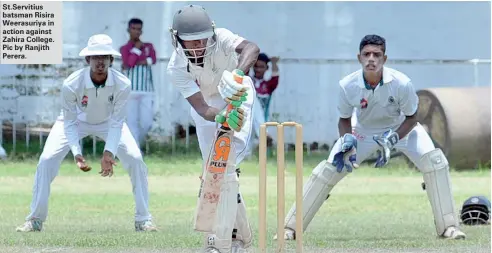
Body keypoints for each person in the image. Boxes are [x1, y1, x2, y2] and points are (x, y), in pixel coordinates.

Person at [276, 34, 466, 240]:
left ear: (384, 58)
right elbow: (344, 119)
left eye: (377, 54)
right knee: (328, 170)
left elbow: (412, 118)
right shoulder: (347, 85)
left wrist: (392, 138)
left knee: (436, 162)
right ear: (359, 58)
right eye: (367, 54)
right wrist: (347, 142)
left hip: (401, 129)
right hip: (363, 131)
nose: (371, 59)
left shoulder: (401, 83)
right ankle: (290, 228)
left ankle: (449, 227)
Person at [16, 34, 157, 233]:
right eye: (95, 56)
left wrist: (109, 153)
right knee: (46, 160)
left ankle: (143, 219)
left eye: (104, 57)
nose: (100, 61)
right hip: (75, 122)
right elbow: (70, 121)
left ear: (111, 60)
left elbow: (117, 122)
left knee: (135, 159)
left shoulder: (122, 83)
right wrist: (77, 152)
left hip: (109, 123)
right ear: (87, 59)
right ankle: (35, 219)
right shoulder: (71, 83)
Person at [167, 5, 260, 253]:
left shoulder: (223, 37)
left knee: (226, 164)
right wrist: (221, 116)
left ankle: (221, 240)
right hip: (209, 107)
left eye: (202, 40)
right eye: (191, 42)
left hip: (238, 94)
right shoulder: (176, 67)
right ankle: (241, 239)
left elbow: (252, 48)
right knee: (214, 168)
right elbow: (200, 107)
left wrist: (238, 75)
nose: (198, 46)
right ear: (178, 40)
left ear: (211, 33)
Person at [120, 18, 157, 149]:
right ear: (128, 30)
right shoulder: (124, 48)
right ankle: (135, 151)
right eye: (133, 29)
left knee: (147, 123)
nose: (136, 32)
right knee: (131, 123)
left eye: (139, 29)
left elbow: (153, 60)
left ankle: (137, 143)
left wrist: (136, 59)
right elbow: (127, 64)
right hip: (131, 90)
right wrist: (136, 50)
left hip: (146, 90)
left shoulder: (148, 46)